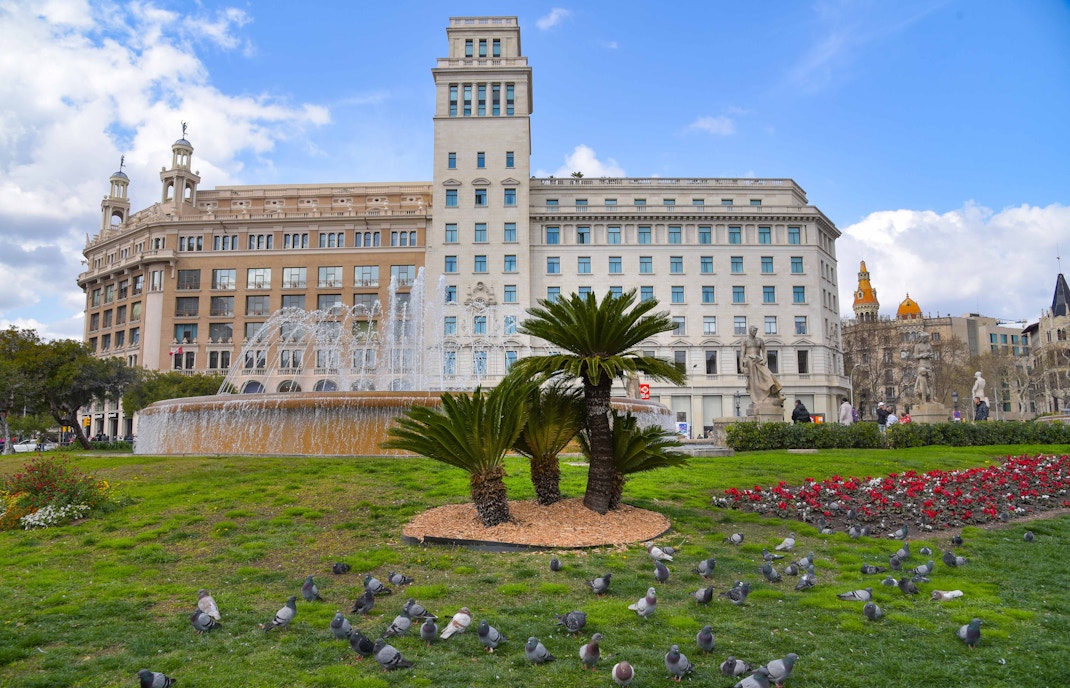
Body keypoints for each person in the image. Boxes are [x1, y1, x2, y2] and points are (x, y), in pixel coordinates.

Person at [739, 326, 784, 406]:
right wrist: (741, 366)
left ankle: (777, 394)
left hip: (759, 361)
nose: (755, 332)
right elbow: (742, 353)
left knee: (769, 375)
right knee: (754, 381)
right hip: (749, 361)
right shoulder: (745, 340)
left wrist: (765, 359)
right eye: (753, 330)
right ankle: (757, 398)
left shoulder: (760, 340)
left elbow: (764, 350)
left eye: (756, 330)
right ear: (750, 331)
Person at [912, 331, 934, 403]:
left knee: (930, 382)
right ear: (922, 338)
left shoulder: (928, 345)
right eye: (925, 338)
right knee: (923, 382)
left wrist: (929, 355)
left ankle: (931, 399)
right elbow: (915, 356)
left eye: (927, 338)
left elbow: (932, 353)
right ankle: (923, 399)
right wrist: (922, 355)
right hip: (921, 365)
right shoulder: (917, 346)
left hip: (928, 364)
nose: (927, 339)